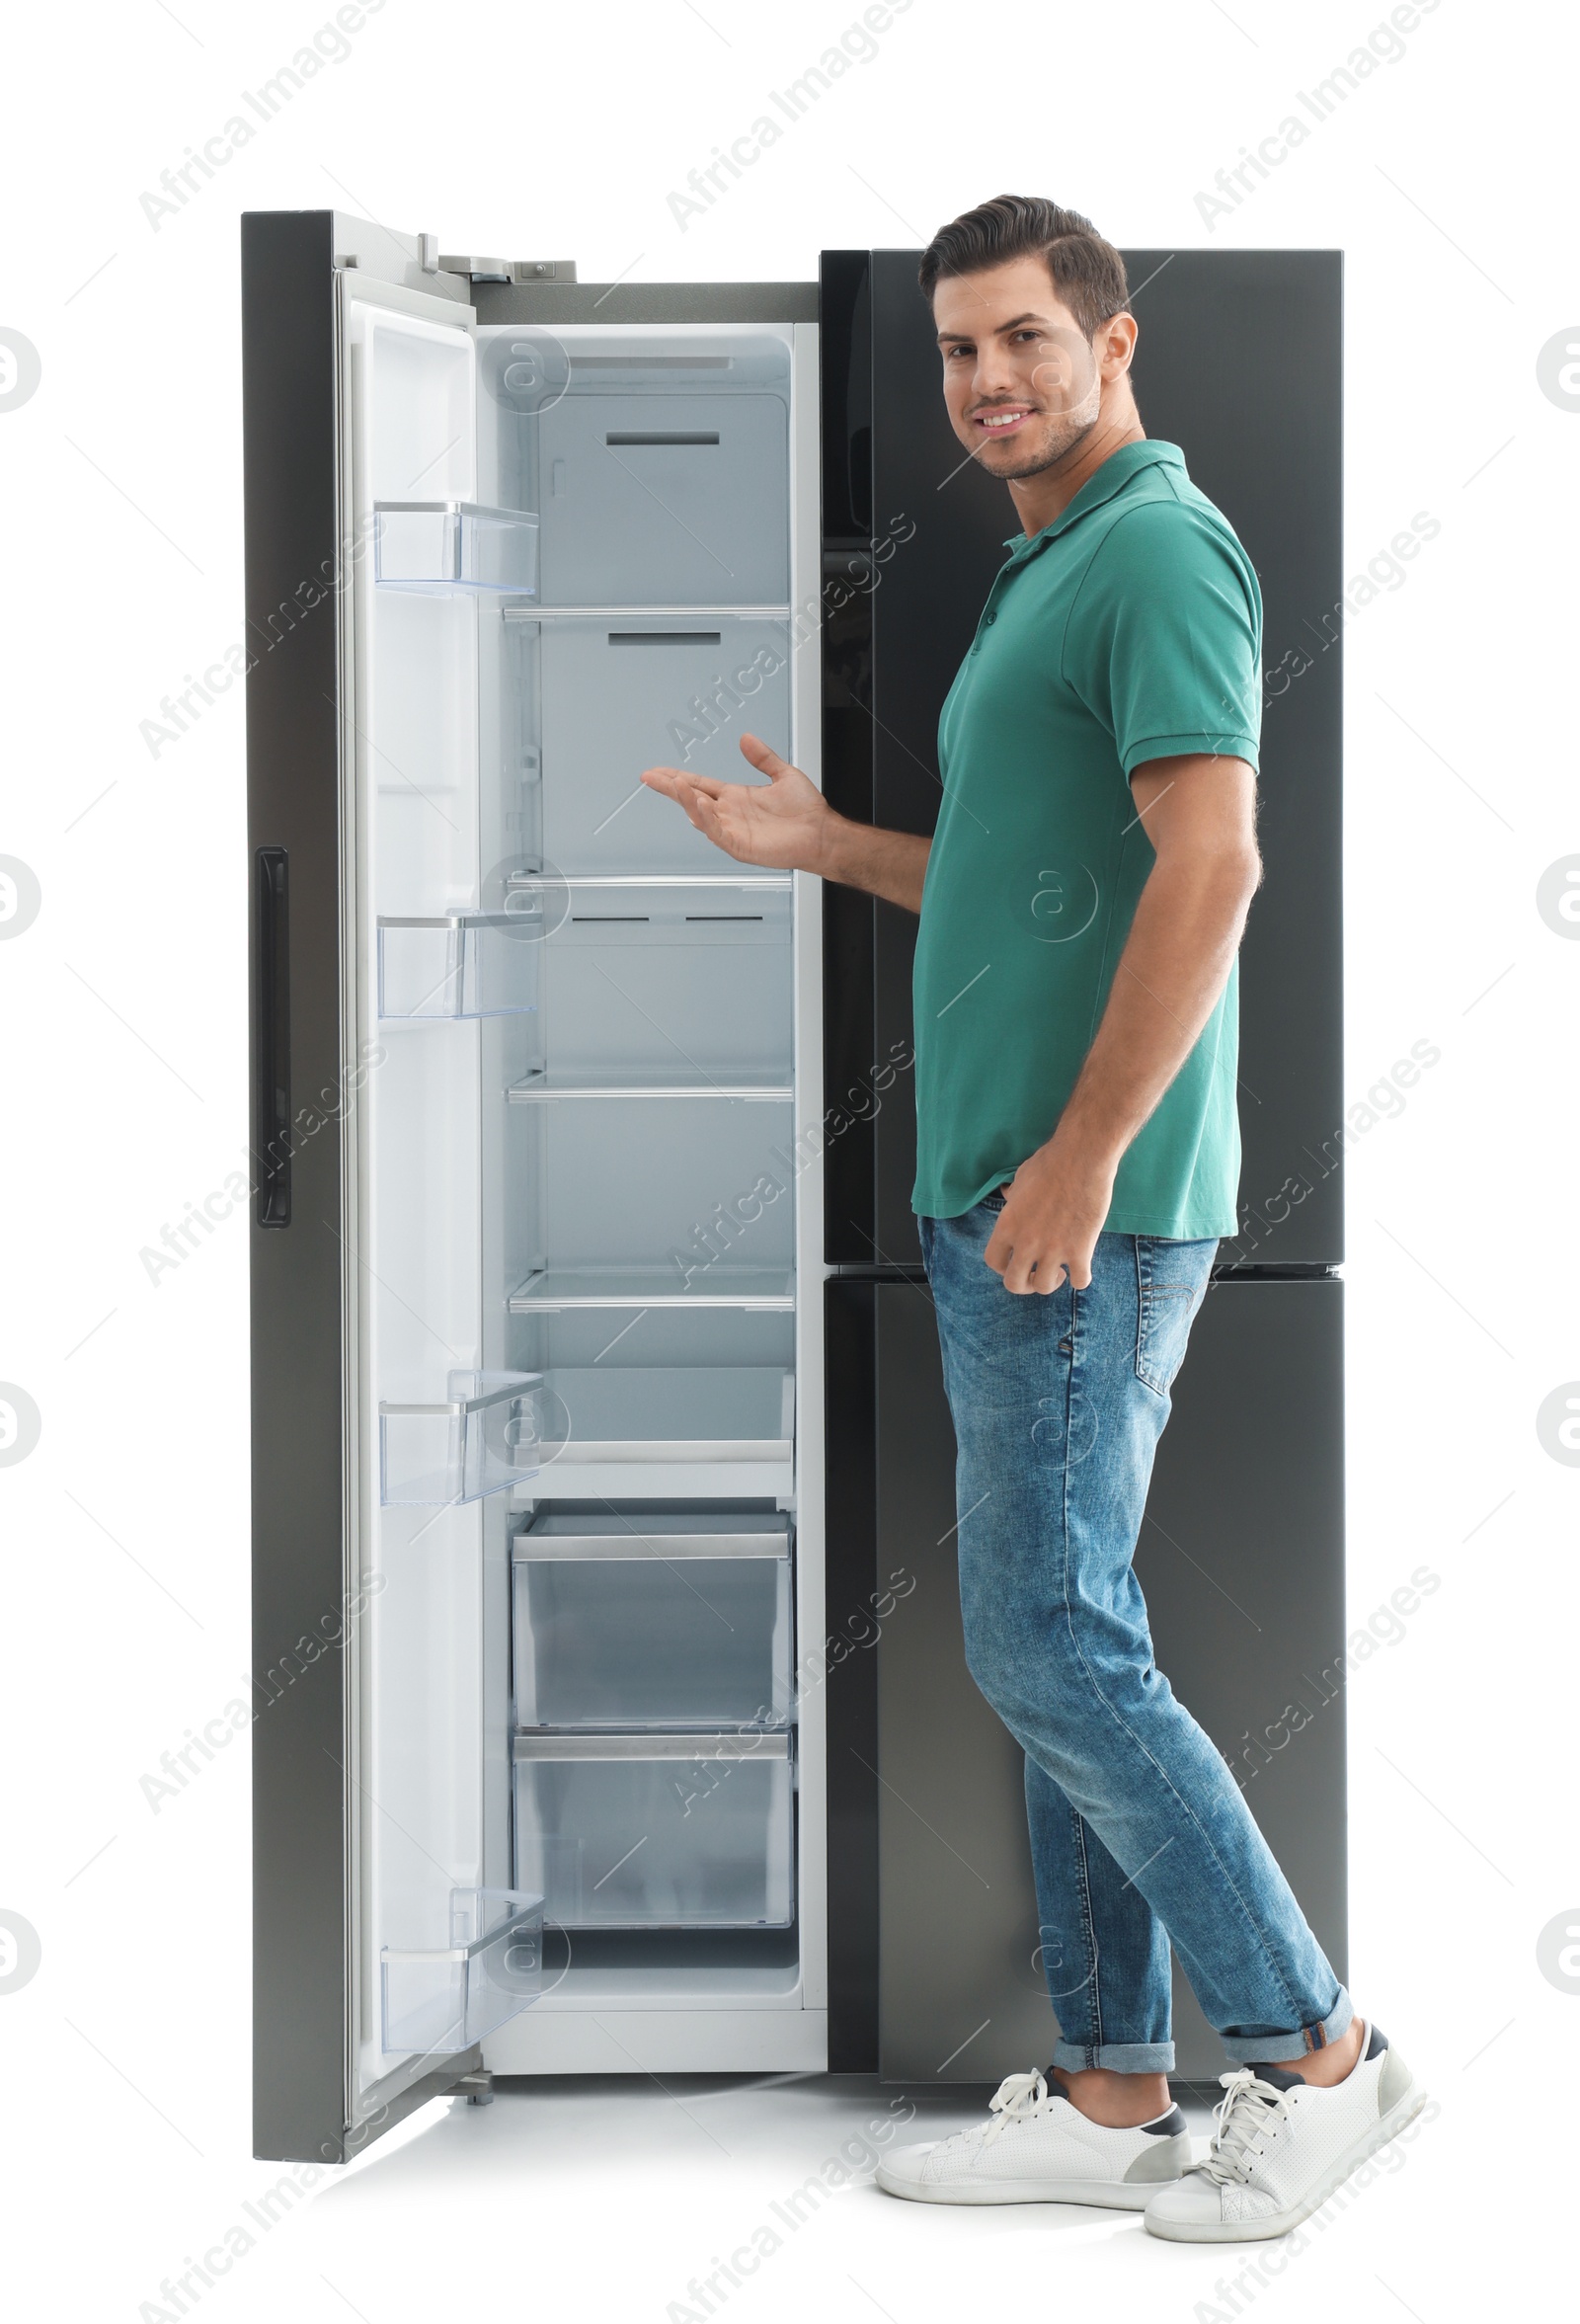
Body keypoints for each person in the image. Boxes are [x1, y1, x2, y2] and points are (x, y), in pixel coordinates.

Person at [641, 194, 1423, 2243]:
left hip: (1074, 1205)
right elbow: (1020, 883)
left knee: (1049, 1638)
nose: (987, 381)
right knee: (1057, 1639)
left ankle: (1319, 2055)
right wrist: (824, 844)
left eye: (1020, 341)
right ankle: (1100, 2086)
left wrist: (1077, 1157)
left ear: (1111, 339)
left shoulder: (1155, 550)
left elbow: (1212, 866)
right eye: (958, 353)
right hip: (997, 1196)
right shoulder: (1047, 565)